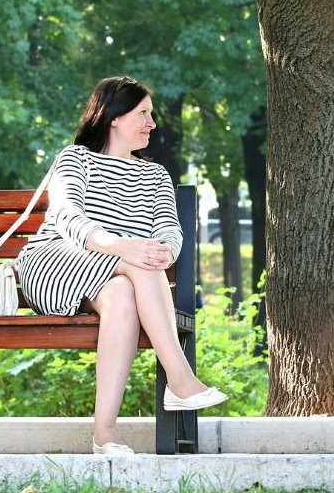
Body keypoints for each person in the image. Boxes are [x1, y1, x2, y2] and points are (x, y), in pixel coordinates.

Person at [17, 76, 227, 454]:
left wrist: (165, 252)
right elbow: (66, 216)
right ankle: (180, 379)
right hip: (55, 263)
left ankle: (105, 433)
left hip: (115, 275)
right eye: (143, 113)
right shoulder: (75, 158)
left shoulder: (155, 175)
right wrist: (123, 247)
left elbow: (168, 228)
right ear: (114, 116)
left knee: (125, 291)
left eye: (151, 114)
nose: (152, 123)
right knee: (139, 264)